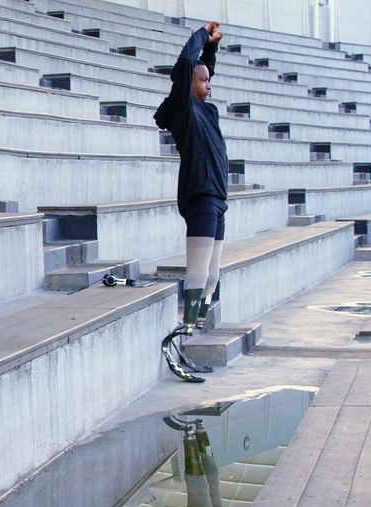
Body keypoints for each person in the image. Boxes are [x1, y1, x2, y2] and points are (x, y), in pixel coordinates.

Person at [155, 21, 227, 382]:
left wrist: (211, 49)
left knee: (212, 276)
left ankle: (190, 336)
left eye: (208, 79)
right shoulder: (183, 107)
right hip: (200, 196)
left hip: (218, 200)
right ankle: (179, 337)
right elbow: (186, 65)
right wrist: (201, 35)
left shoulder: (207, 110)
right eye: (203, 80)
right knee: (198, 274)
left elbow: (200, 67)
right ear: (188, 85)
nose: (208, 83)